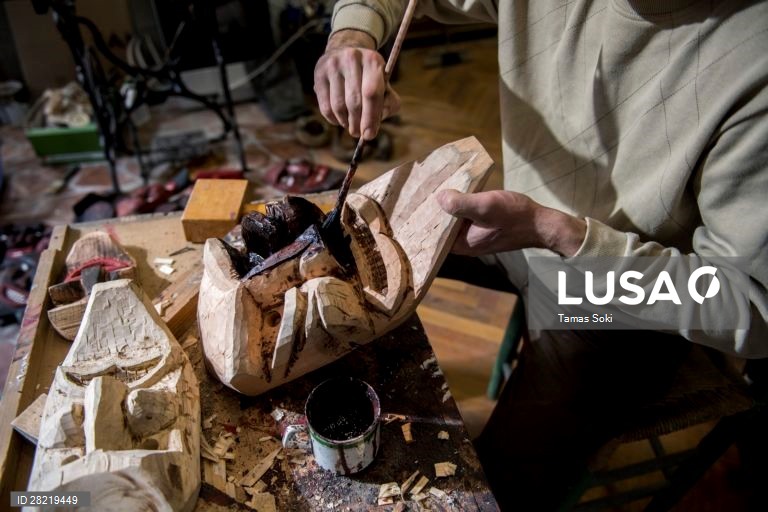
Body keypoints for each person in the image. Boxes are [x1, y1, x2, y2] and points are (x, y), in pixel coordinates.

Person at [313, 1, 768, 509]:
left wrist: (556, 232)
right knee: (348, 235)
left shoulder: (756, 64)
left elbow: (751, 305)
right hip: (520, 225)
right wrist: (350, 37)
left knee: (498, 487)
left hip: (615, 301)